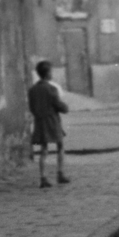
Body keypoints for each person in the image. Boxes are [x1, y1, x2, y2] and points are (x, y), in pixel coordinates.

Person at [27, 60, 70, 188]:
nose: (52, 74)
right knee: (60, 146)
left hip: (40, 122)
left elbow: (32, 107)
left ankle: (43, 177)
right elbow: (59, 106)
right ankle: (60, 173)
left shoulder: (32, 90)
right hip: (52, 121)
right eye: (51, 71)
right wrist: (65, 107)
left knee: (43, 150)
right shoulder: (51, 89)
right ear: (47, 74)